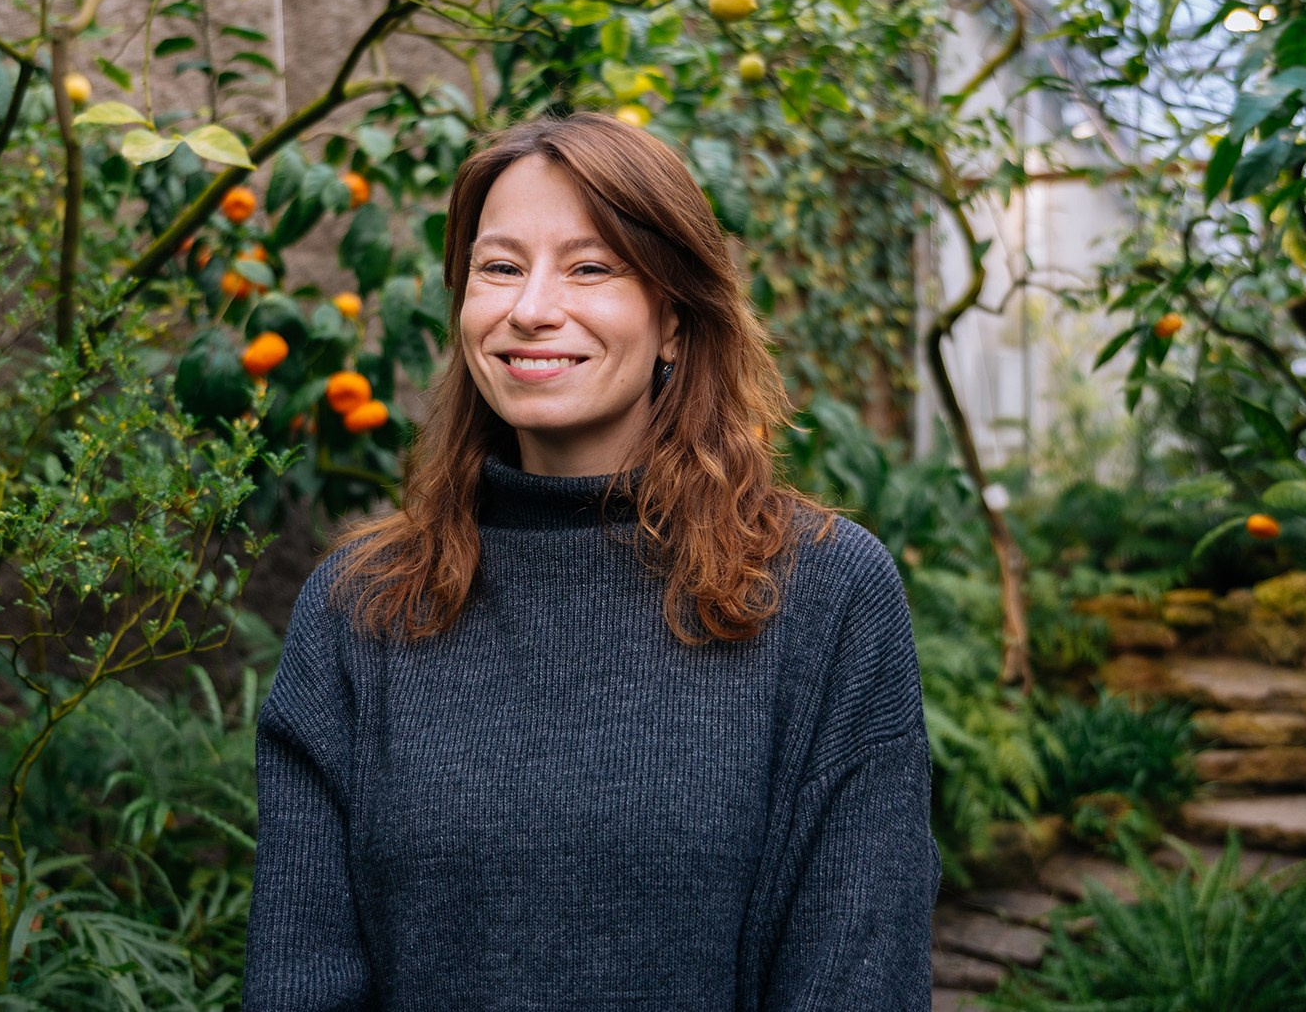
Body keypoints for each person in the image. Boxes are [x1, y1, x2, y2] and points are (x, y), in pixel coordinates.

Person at [243, 112, 940, 1010]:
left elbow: (858, 974)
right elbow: (298, 980)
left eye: (590, 267)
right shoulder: (359, 608)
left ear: (675, 319)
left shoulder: (824, 594)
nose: (532, 308)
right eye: (499, 267)